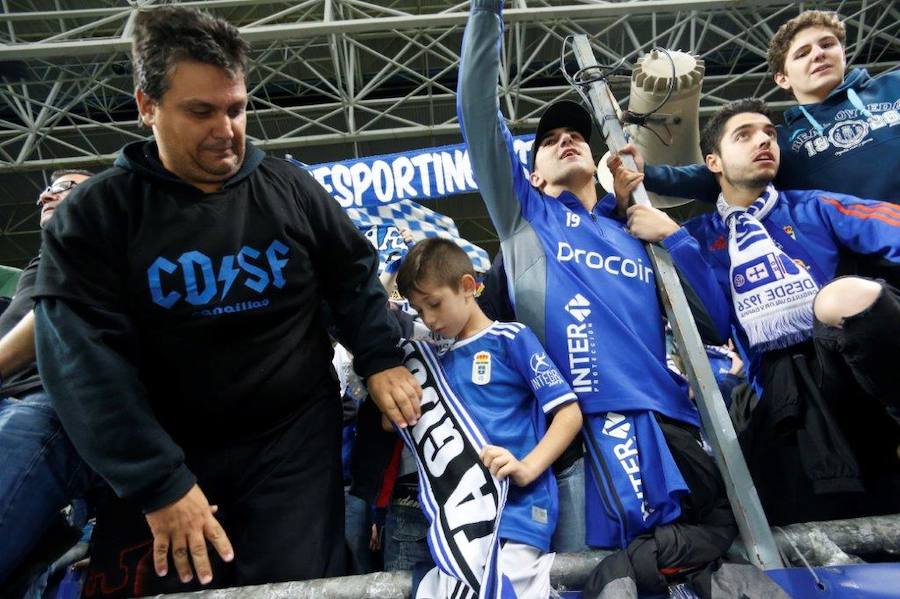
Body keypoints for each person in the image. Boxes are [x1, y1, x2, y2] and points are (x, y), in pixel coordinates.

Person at [31, 6, 421, 596]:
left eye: (236, 108)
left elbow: (351, 269)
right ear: (146, 106)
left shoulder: (289, 187)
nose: (226, 129)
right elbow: (82, 363)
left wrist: (378, 355)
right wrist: (158, 482)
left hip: (291, 449)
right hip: (170, 454)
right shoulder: (97, 216)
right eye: (201, 112)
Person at [458, 2, 739, 595]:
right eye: (550, 141)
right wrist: (488, 10)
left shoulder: (638, 228)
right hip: (579, 445)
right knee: (598, 583)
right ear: (530, 174)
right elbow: (477, 111)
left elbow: (714, 322)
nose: (566, 142)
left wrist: (678, 240)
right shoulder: (524, 217)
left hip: (670, 433)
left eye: (575, 137)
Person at [611, 97, 900, 524]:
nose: (763, 140)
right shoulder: (697, 236)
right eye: (744, 135)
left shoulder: (812, 206)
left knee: (843, 299)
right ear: (713, 161)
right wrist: (671, 237)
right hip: (779, 396)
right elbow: (715, 324)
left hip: (850, 373)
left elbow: (889, 225)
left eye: (769, 132)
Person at [396, 237, 583, 599]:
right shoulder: (433, 362)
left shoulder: (511, 338)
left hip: (519, 514)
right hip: (460, 522)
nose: (429, 319)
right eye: (420, 312)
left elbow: (568, 412)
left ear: (467, 287)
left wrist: (528, 467)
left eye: (434, 304)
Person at [641, 9, 900, 204]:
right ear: (782, 78)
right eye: (802, 53)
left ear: (843, 54)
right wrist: (643, 171)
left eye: (827, 44)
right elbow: (720, 175)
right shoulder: (781, 144)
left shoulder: (895, 85)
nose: (818, 54)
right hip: (872, 265)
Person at [0, 170, 95, 588]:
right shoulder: (43, 258)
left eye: (67, 188)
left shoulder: (102, 242)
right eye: (49, 189)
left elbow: (60, 310)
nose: (45, 196)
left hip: (45, 403)